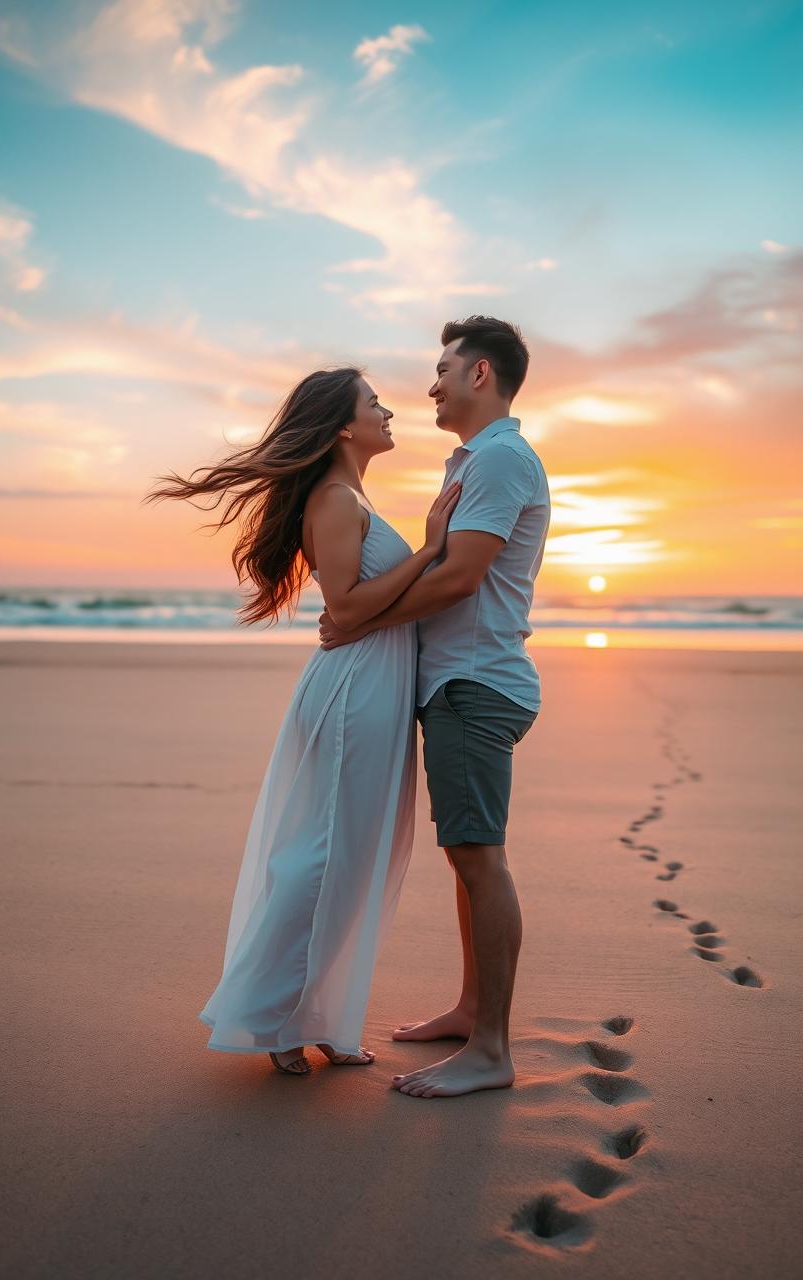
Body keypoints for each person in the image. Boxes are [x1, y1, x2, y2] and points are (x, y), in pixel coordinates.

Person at [146, 368, 460, 1075]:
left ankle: (315, 1015)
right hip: (354, 691)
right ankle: (269, 1018)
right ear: (345, 426)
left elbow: (353, 608)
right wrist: (434, 551)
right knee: (320, 856)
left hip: (373, 683)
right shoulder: (336, 498)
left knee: (348, 856)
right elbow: (346, 609)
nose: (387, 411)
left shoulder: (349, 496)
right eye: (373, 403)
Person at [319, 317, 551, 1097]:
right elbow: (447, 569)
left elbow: (459, 579)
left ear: (480, 375)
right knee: (467, 854)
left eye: (444, 368)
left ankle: (491, 1050)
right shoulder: (479, 459)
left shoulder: (499, 458)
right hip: (460, 683)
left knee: (480, 857)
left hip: (475, 684)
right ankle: (470, 1009)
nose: (432, 383)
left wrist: (357, 619)